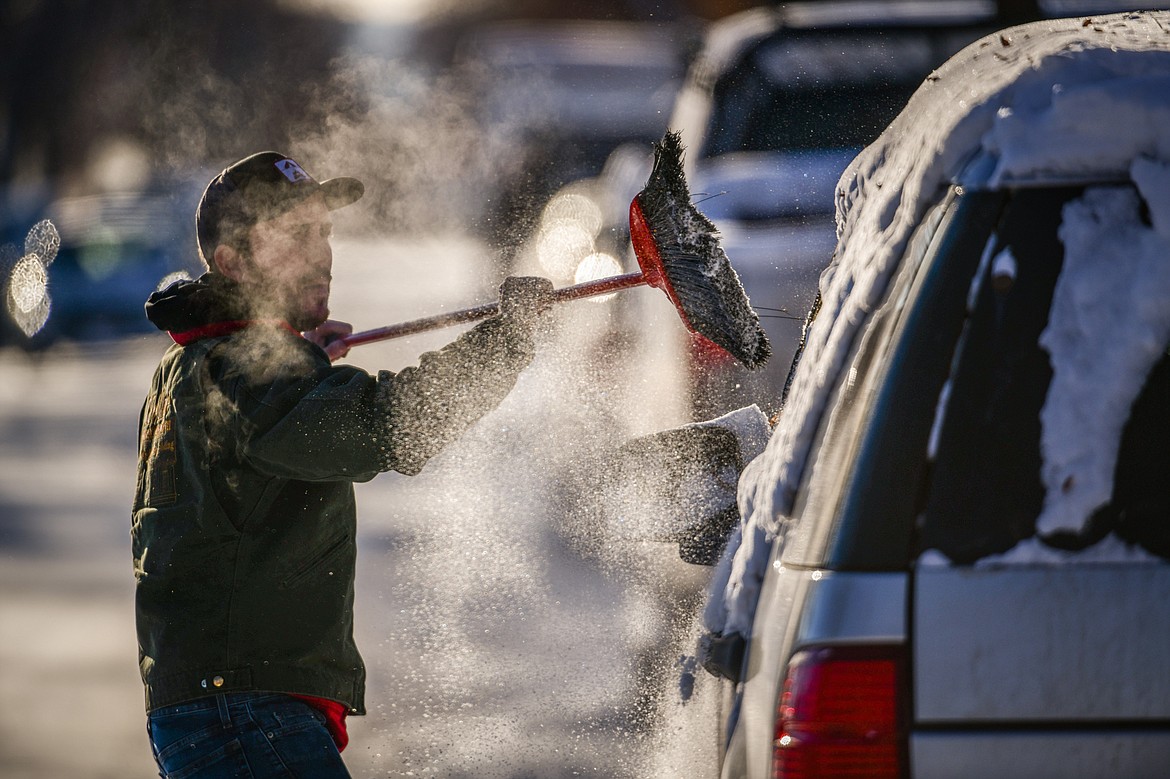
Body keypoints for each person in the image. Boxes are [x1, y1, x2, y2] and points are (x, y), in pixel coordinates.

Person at [132, 151, 553, 778]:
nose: (323, 252)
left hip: (222, 708)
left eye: (324, 232)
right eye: (297, 235)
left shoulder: (199, 363)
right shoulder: (251, 368)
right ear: (232, 261)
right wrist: (507, 342)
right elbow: (386, 427)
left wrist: (302, 363)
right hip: (248, 713)